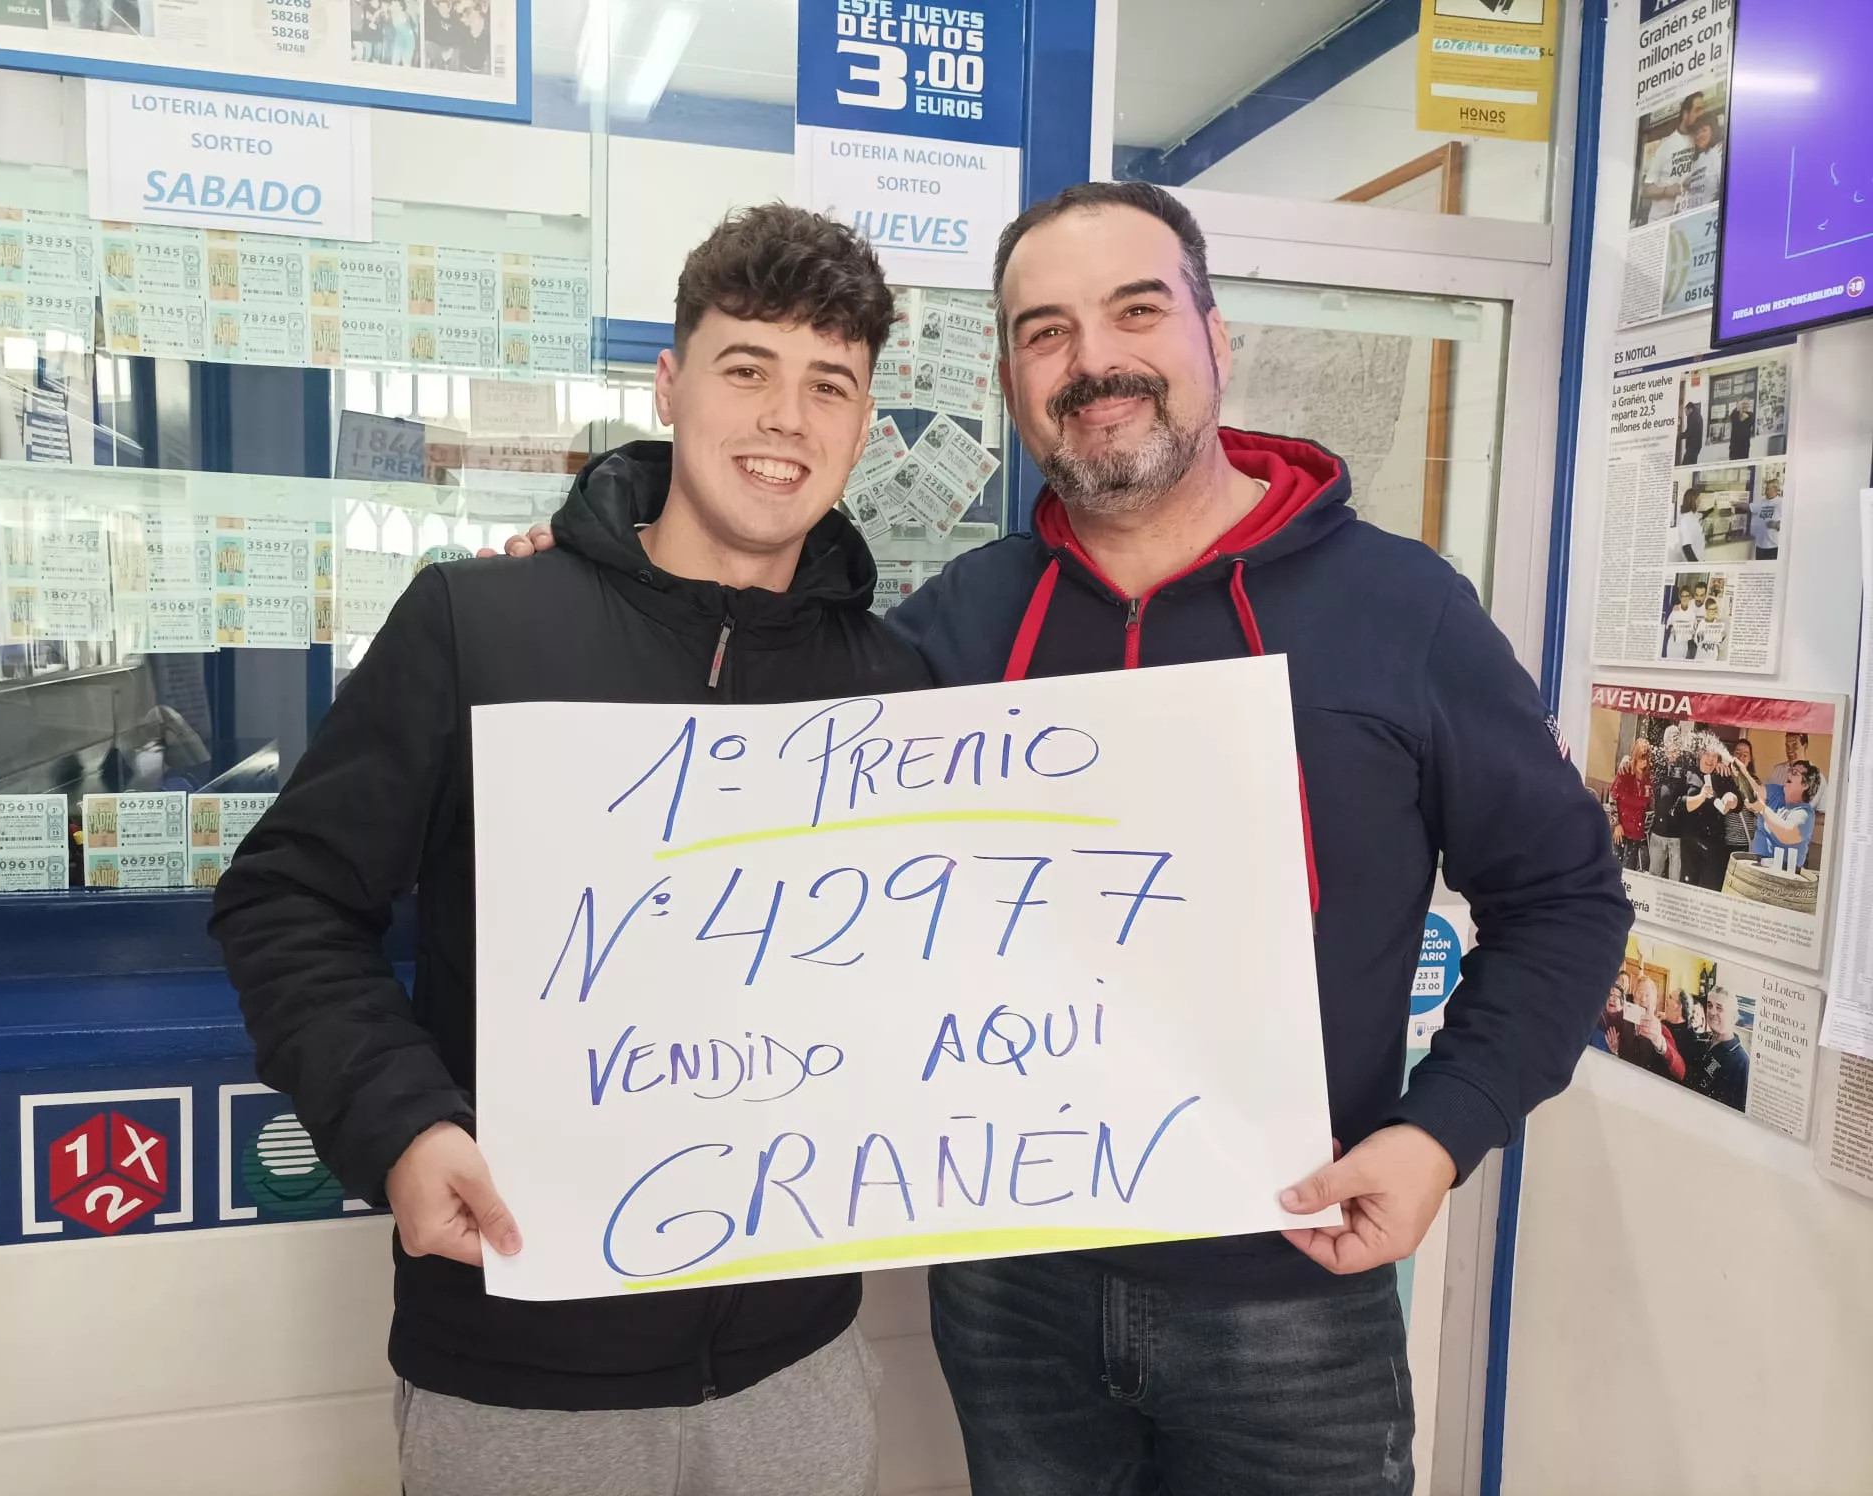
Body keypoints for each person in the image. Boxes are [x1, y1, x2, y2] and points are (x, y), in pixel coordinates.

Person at [498, 180, 1632, 1493]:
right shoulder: (955, 629)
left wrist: (1443, 1134)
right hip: (1014, 1293)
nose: (1094, 359)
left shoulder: (1403, 610)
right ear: (1011, 378)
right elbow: (743, 792)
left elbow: (1565, 901)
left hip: (1295, 1292)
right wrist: (586, 583)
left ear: (1218, 338)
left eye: (1135, 310)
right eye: (1045, 331)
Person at [211, 206, 926, 1496]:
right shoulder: (479, 623)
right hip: (518, 1358)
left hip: (796, 1367)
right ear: (669, 383)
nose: (784, 417)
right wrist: (400, 1123)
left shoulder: (893, 690)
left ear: (861, 427)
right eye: (746, 367)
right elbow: (286, 901)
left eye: (829, 384)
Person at [1680, 743, 1739, 891]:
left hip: (1714, 847)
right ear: (1700, 754)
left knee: (1710, 891)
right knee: (1688, 891)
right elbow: (1680, 805)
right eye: (1707, 754)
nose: (1710, 759)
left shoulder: (1721, 775)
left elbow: (1737, 801)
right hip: (1690, 845)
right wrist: (1701, 797)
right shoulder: (1688, 772)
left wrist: (1732, 800)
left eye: (1714, 756)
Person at [1640, 92, 1705, 224]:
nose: (1701, 114)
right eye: (1697, 110)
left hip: (1684, 219)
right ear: (1686, 114)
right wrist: (1666, 191)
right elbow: (1646, 190)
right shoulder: (1666, 145)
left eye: (1702, 110)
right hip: (1659, 222)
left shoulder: (1700, 139)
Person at [1748, 761, 1821, 871]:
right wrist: (1740, 769)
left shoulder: (1805, 813)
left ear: (1805, 785)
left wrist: (1763, 809)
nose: (1789, 774)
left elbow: (1786, 835)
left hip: (1783, 877)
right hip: (1756, 866)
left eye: (1795, 773)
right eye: (1790, 770)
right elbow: (1754, 791)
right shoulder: (1777, 791)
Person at [1687, 986, 1750, 1112]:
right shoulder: (1701, 1044)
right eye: (1710, 1006)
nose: (1712, 1012)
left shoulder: (1742, 1061)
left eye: (1719, 1008)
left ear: (1733, 1017)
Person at [1647, 726, 1688, 880]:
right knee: (1653, 877)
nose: (1673, 744)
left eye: (1676, 739)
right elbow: (1637, 761)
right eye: (1670, 740)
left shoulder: (1686, 763)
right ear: (1665, 744)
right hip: (1658, 832)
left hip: (1677, 836)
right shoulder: (1657, 762)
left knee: (1674, 882)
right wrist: (1625, 760)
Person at [1611, 737, 1652, 871]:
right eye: (1640, 759)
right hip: (1620, 833)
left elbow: (1650, 806)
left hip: (1636, 835)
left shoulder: (1649, 778)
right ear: (1634, 757)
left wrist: (1645, 828)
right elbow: (1613, 798)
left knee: (1629, 874)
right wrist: (1616, 824)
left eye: (1645, 759)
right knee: (1615, 871)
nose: (1643, 763)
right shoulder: (1625, 772)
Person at [1678, 114, 1724, 215]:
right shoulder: (1693, 161)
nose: (1699, 136)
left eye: (1704, 130)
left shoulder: (1717, 153)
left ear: (1713, 130)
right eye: (1697, 132)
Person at [1670, 486, 1708, 565]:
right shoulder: (1685, 519)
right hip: (1693, 561)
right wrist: (1695, 565)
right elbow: (1686, 547)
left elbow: (1703, 514)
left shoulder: (1693, 515)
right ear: (1693, 500)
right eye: (1698, 499)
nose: (1700, 502)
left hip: (1700, 558)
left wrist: (1713, 509)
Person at [1664, 581, 1700, 658]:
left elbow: (1694, 628)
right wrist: (1672, 629)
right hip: (1673, 643)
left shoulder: (1692, 612)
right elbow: (1668, 625)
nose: (1685, 598)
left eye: (1687, 596)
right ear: (1680, 597)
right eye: (1683, 596)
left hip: (1684, 644)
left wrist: (1692, 631)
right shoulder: (1675, 609)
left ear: (1690, 597)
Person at [1750, 474, 1782, 559]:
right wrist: (1735, 504)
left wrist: (1776, 524)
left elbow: (1789, 524)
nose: (1765, 491)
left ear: (1774, 489)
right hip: (1760, 545)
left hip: (1773, 546)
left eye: (1767, 489)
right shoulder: (1762, 501)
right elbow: (1749, 507)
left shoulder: (1781, 503)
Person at [1693, 595, 1726, 663]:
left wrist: (1723, 637)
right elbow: (1696, 641)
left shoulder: (1718, 624)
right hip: (1701, 657)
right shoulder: (1701, 623)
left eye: (1715, 609)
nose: (1714, 611)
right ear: (1706, 610)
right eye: (1711, 609)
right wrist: (1699, 636)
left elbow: (1719, 643)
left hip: (1712, 658)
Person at [1727, 397, 1754, 461]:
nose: (1745, 405)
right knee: (1733, 466)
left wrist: (1740, 410)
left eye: (1746, 404)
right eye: (1743, 403)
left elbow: (1742, 419)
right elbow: (1735, 420)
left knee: (1743, 466)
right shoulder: (1734, 413)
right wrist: (1738, 409)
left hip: (1744, 446)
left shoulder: (1751, 415)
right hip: (1734, 446)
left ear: (1749, 405)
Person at [1680, 400, 1704, 467]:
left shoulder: (1693, 417)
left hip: (1693, 446)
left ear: (1690, 409)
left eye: (1686, 411)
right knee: (1691, 464)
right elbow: (1689, 431)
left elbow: (1689, 432)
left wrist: (1679, 436)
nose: (1685, 413)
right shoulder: (1696, 415)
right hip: (1695, 446)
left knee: (1686, 465)